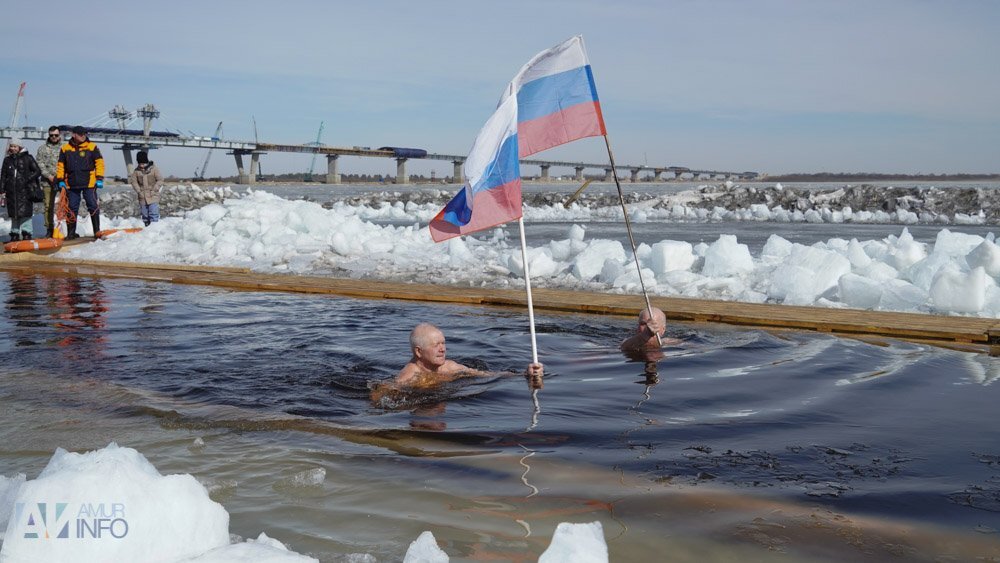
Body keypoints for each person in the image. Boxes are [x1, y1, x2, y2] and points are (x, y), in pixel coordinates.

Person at [371, 323, 544, 402]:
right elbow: (381, 393)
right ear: (418, 351)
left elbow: (488, 375)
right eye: (435, 345)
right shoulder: (410, 374)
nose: (442, 349)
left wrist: (525, 374)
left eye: (443, 343)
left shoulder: (450, 367)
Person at [55, 125, 104, 239]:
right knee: (71, 208)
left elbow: (99, 163)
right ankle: (71, 233)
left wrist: (99, 178)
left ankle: (97, 231)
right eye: (80, 134)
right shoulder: (65, 148)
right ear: (74, 135)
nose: (83, 136)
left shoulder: (92, 147)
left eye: (84, 134)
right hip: (71, 184)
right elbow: (61, 166)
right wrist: (60, 180)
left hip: (89, 183)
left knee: (93, 206)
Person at [1, 135, 42, 241]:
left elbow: (37, 171)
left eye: (15, 146)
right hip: (11, 192)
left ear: (20, 147)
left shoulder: (28, 158)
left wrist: (27, 179)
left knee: (25, 213)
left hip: (25, 191)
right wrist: (1, 189)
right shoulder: (7, 160)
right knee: (14, 213)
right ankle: (14, 234)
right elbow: (3, 176)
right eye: (11, 146)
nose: (13, 148)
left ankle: (27, 233)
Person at [34, 126, 61, 238]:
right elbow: (39, 164)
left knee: (64, 205)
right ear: (49, 135)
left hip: (61, 181)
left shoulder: (64, 148)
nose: (54, 137)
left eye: (56, 135)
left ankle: (65, 229)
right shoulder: (42, 149)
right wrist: (49, 176)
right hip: (47, 182)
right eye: (51, 135)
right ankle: (49, 229)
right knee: (48, 206)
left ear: (59, 135)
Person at [129, 151, 163, 226]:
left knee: (153, 212)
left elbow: (160, 180)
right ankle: (146, 228)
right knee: (145, 215)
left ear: (146, 162)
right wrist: (138, 191)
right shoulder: (136, 171)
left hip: (153, 195)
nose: (141, 165)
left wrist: (155, 189)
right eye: (140, 164)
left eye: (143, 163)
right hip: (142, 196)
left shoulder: (154, 169)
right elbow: (133, 181)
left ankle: (154, 228)